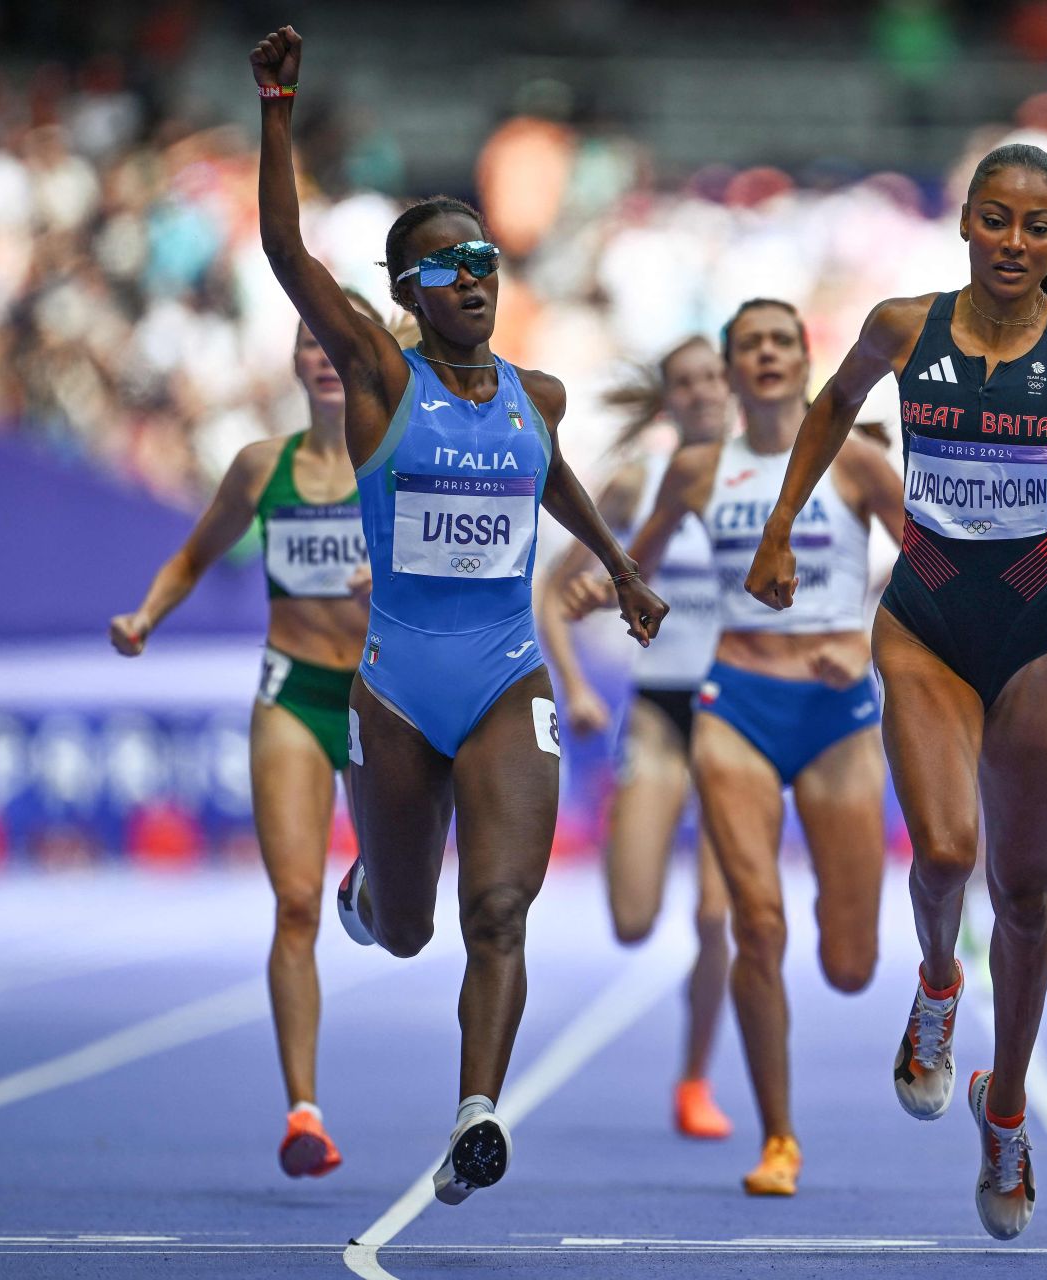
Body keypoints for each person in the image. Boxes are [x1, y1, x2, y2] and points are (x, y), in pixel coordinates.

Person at [252, 25, 666, 1206]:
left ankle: (477, 1113)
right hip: (392, 687)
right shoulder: (384, 383)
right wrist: (280, 105)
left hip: (504, 675)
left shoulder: (538, 392)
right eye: (446, 265)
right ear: (406, 294)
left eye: (484, 257)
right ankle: (368, 894)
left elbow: (550, 475)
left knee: (499, 908)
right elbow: (284, 248)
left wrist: (623, 569)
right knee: (411, 925)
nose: (474, 276)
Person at [743, 143, 1047, 1240]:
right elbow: (826, 409)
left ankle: (1004, 1106)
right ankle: (938, 985)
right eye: (998, 220)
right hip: (926, 620)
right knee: (946, 852)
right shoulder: (904, 326)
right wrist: (780, 526)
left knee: (1030, 896)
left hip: (1037, 632)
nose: (1017, 244)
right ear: (966, 223)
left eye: (1039, 228)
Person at [573, 298, 902, 1197]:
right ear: (730, 368)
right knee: (756, 927)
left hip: (837, 716)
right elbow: (628, 571)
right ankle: (779, 1140)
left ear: (805, 362)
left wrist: (868, 638)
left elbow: (939, 571)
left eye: (780, 342)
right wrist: (599, 596)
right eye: (748, 344)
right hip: (734, 704)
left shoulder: (859, 465)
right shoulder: (695, 471)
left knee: (849, 964)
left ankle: (891, 984)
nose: (764, 355)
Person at [109, 293, 386, 1180]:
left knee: (404, 918)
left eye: (333, 341)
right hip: (291, 694)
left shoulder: (399, 468)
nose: (320, 355)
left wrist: (389, 584)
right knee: (295, 903)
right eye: (307, 341)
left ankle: (381, 878)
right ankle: (304, 1110)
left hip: (381, 700)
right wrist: (146, 614)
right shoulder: (260, 466)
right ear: (295, 361)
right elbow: (194, 555)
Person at [537, 337, 736, 1140]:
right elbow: (551, 597)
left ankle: (695, 1079)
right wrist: (576, 687)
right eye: (685, 384)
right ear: (666, 402)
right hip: (657, 711)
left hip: (738, 716)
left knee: (721, 916)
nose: (703, 394)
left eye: (713, 378)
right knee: (631, 917)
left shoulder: (775, 480)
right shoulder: (635, 485)